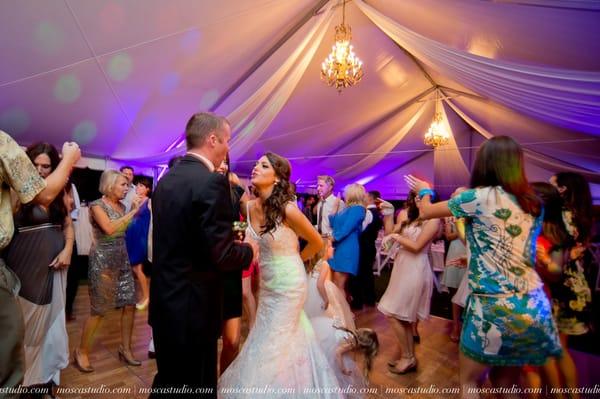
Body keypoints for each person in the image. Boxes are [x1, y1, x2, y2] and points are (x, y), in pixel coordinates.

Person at [406, 136, 562, 396]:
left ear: (484, 164)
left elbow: (425, 211)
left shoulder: (478, 197)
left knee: (470, 382)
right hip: (531, 303)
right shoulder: (532, 202)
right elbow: (509, 246)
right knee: (507, 383)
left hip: (493, 305)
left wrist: (424, 189)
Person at [219, 152, 343, 396]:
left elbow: (317, 243)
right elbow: (237, 226)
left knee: (275, 338)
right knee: (268, 333)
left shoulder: (289, 210)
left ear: (277, 178)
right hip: (266, 283)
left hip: (289, 283)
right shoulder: (247, 206)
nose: (255, 168)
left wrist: (296, 260)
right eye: (256, 164)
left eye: (263, 166)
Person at [150, 112, 255, 396]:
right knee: (196, 384)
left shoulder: (166, 181)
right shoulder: (211, 182)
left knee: (169, 379)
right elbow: (221, 255)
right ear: (212, 139)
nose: (228, 148)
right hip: (193, 311)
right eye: (227, 141)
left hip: (165, 304)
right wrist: (248, 252)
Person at [0, 131, 80, 396]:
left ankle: (43, 379)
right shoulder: (15, 190)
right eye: (35, 165)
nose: (40, 170)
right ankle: (22, 382)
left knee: (49, 329)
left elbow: (68, 225)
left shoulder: (60, 191)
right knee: (22, 331)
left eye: (46, 166)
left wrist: (68, 249)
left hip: (54, 270)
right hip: (23, 268)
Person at [74, 170, 143, 372]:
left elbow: (122, 231)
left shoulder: (122, 206)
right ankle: (82, 351)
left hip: (122, 260)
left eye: (127, 185)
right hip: (102, 263)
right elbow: (110, 229)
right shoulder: (97, 205)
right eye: (123, 185)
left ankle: (126, 348)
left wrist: (130, 211)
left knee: (129, 304)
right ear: (110, 185)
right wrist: (133, 212)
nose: (126, 189)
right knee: (99, 310)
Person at [378, 190, 440, 374]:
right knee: (402, 316)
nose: (418, 200)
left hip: (415, 269)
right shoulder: (408, 216)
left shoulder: (433, 219)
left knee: (392, 312)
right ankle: (409, 357)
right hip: (401, 267)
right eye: (416, 197)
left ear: (430, 199)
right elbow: (389, 232)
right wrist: (388, 214)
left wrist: (398, 237)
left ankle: (408, 357)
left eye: (422, 197)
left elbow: (417, 246)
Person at [549, 172, 594, 397]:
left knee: (555, 349)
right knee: (559, 348)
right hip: (576, 285)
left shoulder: (562, 215)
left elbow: (559, 254)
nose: (548, 186)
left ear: (563, 189)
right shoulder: (579, 214)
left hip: (562, 286)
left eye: (552, 183)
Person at [216, 155, 250, 374]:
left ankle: (225, 382)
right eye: (218, 161)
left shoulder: (235, 190)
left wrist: (238, 230)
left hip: (230, 268)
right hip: (208, 270)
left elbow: (245, 219)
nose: (222, 165)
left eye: (225, 161)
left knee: (233, 340)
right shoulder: (199, 190)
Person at [328, 183, 367, 294]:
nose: (344, 194)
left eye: (346, 192)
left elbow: (346, 229)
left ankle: (341, 311)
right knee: (334, 284)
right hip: (339, 247)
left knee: (339, 286)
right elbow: (333, 222)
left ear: (352, 194)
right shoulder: (347, 209)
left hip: (347, 248)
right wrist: (335, 206)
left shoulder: (358, 209)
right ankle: (336, 310)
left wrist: (332, 238)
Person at [350, 190, 383, 310]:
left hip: (362, 246)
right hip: (370, 247)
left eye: (366, 196)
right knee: (368, 273)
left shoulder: (368, 212)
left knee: (359, 274)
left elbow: (360, 230)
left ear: (371, 198)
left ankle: (358, 301)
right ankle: (370, 299)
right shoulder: (378, 213)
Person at [125, 176, 152, 310]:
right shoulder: (134, 200)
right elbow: (130, 217)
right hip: (131, 236)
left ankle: (146, 296)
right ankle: (139, 295)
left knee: (137, 268)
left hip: (141, 238)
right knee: (132, 267)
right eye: (138, 185)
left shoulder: (149, 202)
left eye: (142, 186)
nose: (138, 188)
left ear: (148, 189)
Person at [304, 237, 334, 319]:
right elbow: (320, 284)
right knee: (321, 314)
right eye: (330, 246)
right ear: (325, 249)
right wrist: (326, 299)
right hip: (317, 292)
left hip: (311, 290)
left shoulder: (317, 262)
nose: (333, 248)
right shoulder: (325, 264)